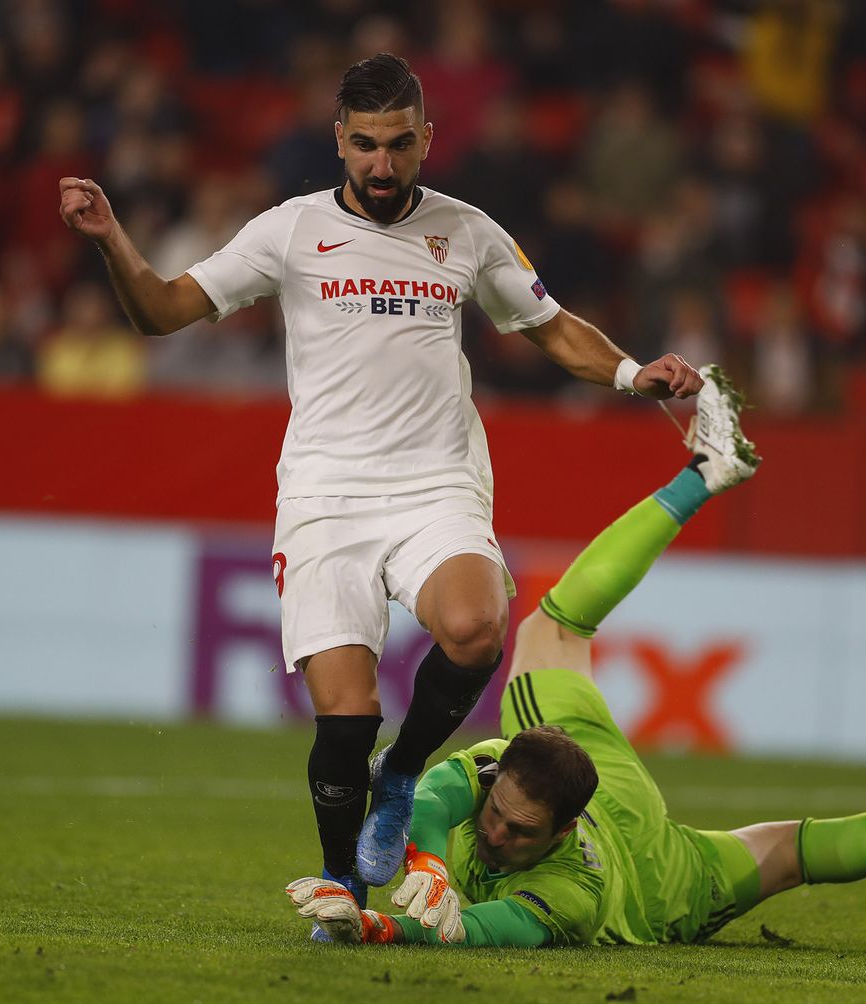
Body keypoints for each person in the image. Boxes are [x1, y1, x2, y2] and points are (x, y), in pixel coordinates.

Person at [58, 54, 703, 930]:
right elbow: (164, 309)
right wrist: (111, 241)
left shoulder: (467, 231)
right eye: (365, 145)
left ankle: (403, 773)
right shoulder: (290, 231)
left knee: (477, 629)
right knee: (344, 711)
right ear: (339, 140)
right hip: (325, 493)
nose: (383, 165)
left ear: (427, 139)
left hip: (435, 483)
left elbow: (549, 326)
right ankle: (343, 890)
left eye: (400, 144)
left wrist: (633, 373)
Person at [287, 368, 866, 946]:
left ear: (564, 830)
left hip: (655, 884)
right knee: (554, 633)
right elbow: (440, 783)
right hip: (627, 803)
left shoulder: (568, 896)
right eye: (498, 812)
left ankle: (710, 470)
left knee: (797, 848)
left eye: (514, 831)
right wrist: (428, 850)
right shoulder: (515, 777)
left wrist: (380, 924)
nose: (496, 834)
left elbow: (486, 930)